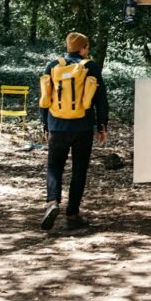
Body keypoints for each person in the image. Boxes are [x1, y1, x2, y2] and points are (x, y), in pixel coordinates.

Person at [38, 31, 108, 231]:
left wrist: (45, 125)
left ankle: (52, 202)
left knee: (54, 166)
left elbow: (45, 98)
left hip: (57, 126)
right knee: (79, 170)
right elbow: (101, 99)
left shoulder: (53, 66)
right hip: (83, 127)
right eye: (87, 47)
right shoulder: (90, 67)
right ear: (83, 48)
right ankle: (72, 214)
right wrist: (102, 126)